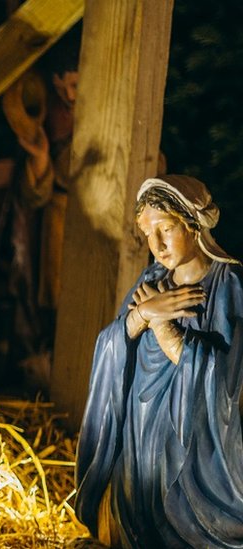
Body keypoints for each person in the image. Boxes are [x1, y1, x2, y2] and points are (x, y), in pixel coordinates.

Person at [74, 175, 243, 548]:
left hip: (191, 451)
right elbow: (111, 345)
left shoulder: (228, 285)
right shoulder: (152, 278)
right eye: (147, 233)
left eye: (165, 228)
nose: (156, 244)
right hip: (138, 432)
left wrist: (165, 330)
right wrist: (139, 317)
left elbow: (228, 382)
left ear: (193, 225)